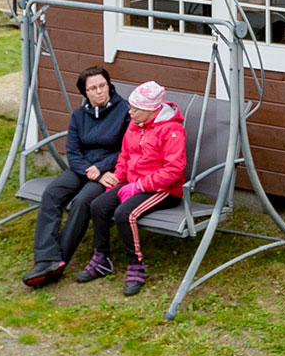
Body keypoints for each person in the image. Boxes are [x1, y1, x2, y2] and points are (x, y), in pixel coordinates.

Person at [76, 80, 188, 296]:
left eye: (135, 109)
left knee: (125, 214)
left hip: (163, 190)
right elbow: (125, 156)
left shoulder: (172, 130)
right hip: (133, 184)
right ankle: (102, 260)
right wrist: (117, 179)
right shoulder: (135, 124)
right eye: (130, 107)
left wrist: (140, 185)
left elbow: (174, 170)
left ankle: (136, 267)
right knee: (98, 205)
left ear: (150, 109)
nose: (130, 112)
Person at [22, 66, 129, 288]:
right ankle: (45, 258)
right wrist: (88, 168)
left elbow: (125, 149)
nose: (100, 91)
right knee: (52, 193)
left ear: (109, 85)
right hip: (82, 169)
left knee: (82, 201)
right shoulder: (79, 116)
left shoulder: (124, 111)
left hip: (110, 171)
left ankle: (59, 261)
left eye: (103, 85)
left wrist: (99, 171)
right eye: (93, 88)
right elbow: (73, 151)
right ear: (85, 93)